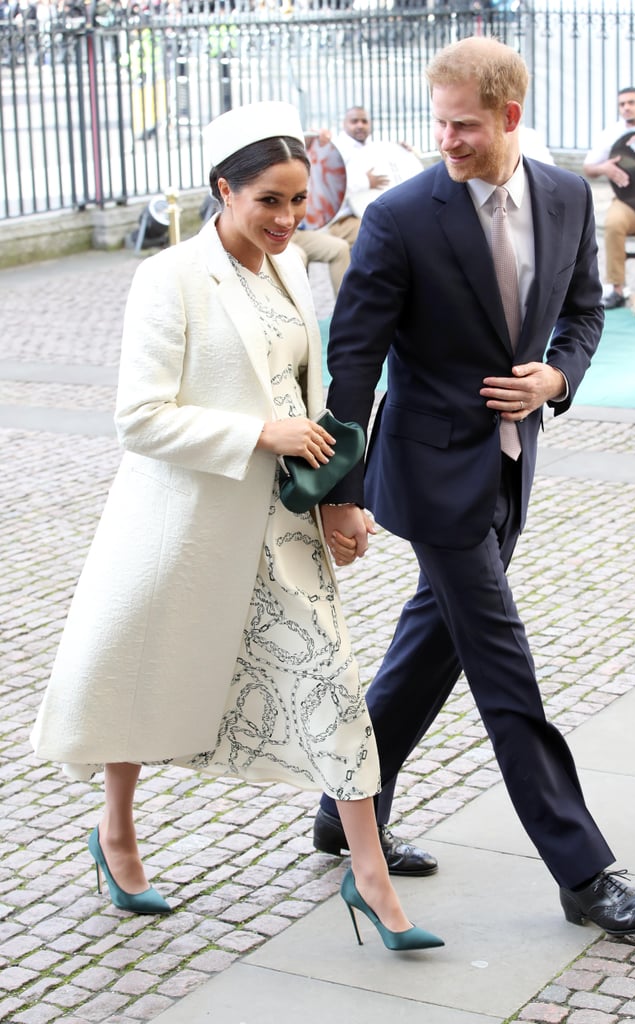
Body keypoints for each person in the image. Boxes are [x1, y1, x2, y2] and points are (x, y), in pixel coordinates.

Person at [29, 100, 443, 953]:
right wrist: (257, 433)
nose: (290, 220)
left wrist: (341, 496)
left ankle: (367, 878)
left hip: (282, 523)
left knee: (330, 686)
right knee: (139, 679)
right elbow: (138, 419)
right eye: (270, 202)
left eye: (299, 202)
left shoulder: (288, 269)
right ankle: (117, 835)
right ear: (224, 190)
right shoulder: (169, 278)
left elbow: (309, 394)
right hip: (184, 526)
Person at [311, 36, 635, 938]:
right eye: (438, 122)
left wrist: (554, 379)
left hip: (511, 465)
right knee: (503, 667)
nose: (447, 139)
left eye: (463, 124)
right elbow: (353, 358)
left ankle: (341, 809)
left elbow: (584, 314)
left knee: (428, 647)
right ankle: (583, 872)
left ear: (510, 117)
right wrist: (337, 490)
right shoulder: (399, 216)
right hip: (430, 474)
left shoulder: (560, 195)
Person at [583, 87, 635, 309]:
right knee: (613, 223)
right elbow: (588, 167)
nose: (627, 108)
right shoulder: (611, 134)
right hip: (628, 201)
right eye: (622, 104)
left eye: (632, 102)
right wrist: (605, 168)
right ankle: (617, 288)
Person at [327, 106, 391, 246]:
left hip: (369, 214)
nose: (360, 125)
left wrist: (407, 152)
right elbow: (331, 186)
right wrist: (366, 182)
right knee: (377, 234)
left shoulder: (374, 148)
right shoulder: (336, 150)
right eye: (354, 121)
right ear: (344, 124)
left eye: (364, 121)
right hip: (343, 219)